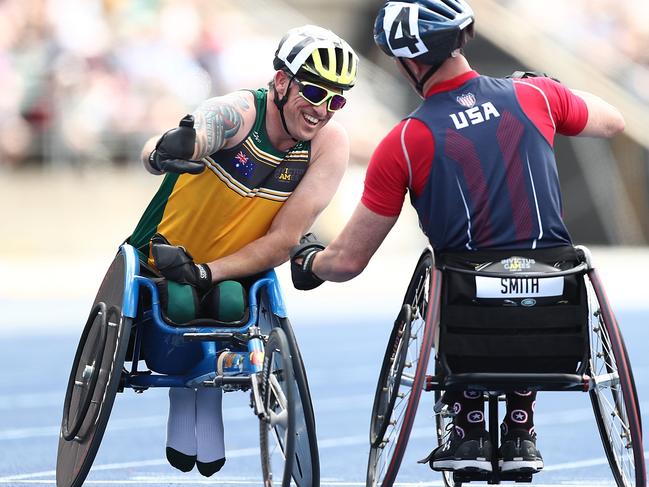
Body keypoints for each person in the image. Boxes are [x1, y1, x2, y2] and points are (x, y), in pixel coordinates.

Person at [290, 0, 625, 476]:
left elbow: (346, 263)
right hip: (558, 303)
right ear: (461, 41)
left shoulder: (405, 141)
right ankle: (519, 425)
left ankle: (467, 424)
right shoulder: (537, 97)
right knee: (522, 281)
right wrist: (546, 86)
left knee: (455, 275)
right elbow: (614, 121)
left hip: (468, 313)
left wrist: (309, 260)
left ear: (410, 62)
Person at [126, 24, 359, 476]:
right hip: (164, 252)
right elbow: (198, 129)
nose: (321, 111)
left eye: (337, 100)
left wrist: (208, 273)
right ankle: (184, 393)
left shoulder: (329, 146)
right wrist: (165, 150)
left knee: (229, 302)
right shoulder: (241, 113)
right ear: (280, 82)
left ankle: (206, 395)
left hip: (233, 269)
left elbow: (282, 241)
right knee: (175, 302)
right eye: (313, 91)